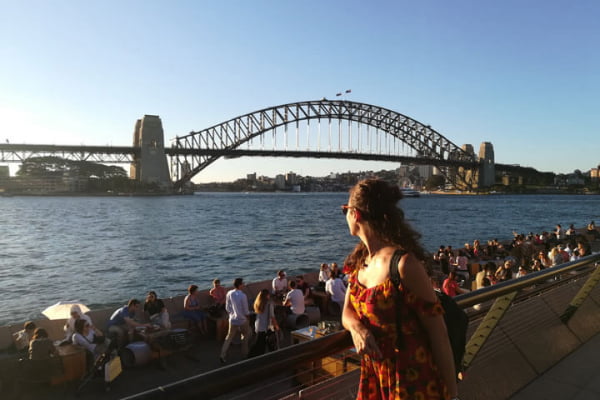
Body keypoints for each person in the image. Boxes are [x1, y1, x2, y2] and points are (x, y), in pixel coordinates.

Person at [341, 179, 459, 400]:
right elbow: (347, 312)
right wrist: (358, 329)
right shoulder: (360, 263)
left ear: (355, 215)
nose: (344, 215)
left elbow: (439, 334)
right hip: (375, 378)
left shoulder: (404, 265)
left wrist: (452, 396)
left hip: (412, 382)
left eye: (344, 210)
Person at [220, 278, 251, 363]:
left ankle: (222, 355)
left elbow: (227, 307)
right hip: (242, 320)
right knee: (245, 336)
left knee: (229, 337)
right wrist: (248, 317)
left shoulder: (229, 293)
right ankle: (245, 355)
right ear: (240, 285)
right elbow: (245, 310)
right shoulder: (243, 295)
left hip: (232, 319)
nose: (244, 284)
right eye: (243, 283)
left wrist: (231, 314)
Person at [248, 289, 279, 357]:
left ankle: (252, 356)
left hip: (259, 326)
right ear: (267, 295)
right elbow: (272, 317)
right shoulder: (269, 304)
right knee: (270, 344)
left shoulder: (257, 303)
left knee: (259, 344)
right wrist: (277, 326)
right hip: (267, 327)